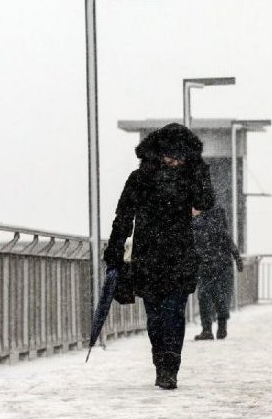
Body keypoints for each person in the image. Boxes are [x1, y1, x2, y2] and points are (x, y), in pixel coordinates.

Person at [103, 123, 215, 390]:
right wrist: (116, 249)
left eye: (180, 156)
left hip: (175, 254)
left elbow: (205, 202)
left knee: (172, 313)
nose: (175, 161)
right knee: (156, 316)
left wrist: (199, 170)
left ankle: (170, 368)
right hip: (152, 255)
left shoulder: (189, 176)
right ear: (158, 153)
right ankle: (161, 363)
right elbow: (123, 216)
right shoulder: (140, 178)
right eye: (170, 155)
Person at [191, 206, 243, 341]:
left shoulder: (195, 225)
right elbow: (229, 242)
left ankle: (207, 330)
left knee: (204, 298)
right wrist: (237, 259)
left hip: (206, 267)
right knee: (221, 298)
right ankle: (221, 327)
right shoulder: (217, 225)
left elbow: (192, 248)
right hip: (222, 265)